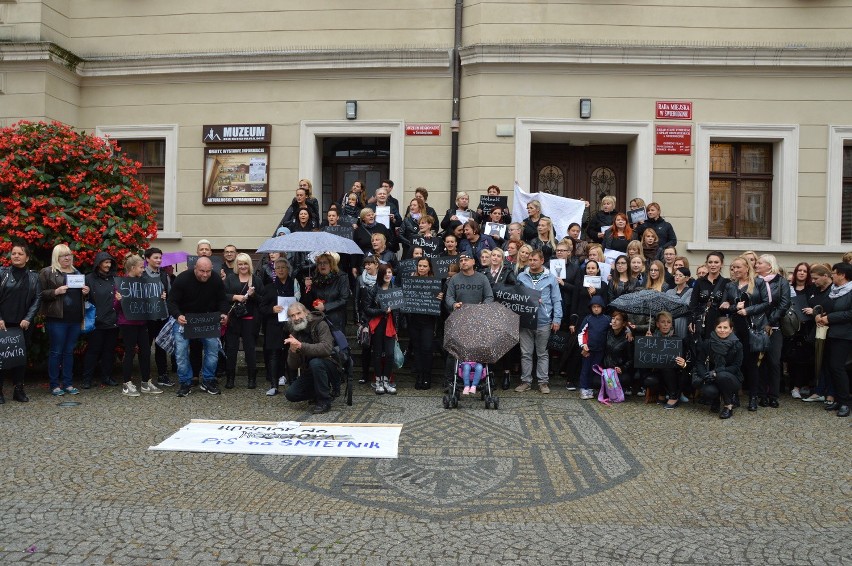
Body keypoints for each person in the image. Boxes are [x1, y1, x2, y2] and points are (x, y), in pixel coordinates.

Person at [167, 257, 229, 397]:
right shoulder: (182, 279)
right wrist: (177, 315)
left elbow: (222, 299)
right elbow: (171, 302)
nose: (205, 275)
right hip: (186, 319)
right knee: (181, 352)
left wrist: (224, 313)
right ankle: (185, 382)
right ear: (195, 268)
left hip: (207, 319)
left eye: (208, 271)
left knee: (213, 351)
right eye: (202, 271)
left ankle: (208, 380)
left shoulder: (215, 279)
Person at [719, 255, 769, 412]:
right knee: (735, 363)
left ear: (747, 267)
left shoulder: (759, 283)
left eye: (738, 267)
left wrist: (748, 310)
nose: (735, 270)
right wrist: (733, 307)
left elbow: (767, 303)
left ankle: (753, 396)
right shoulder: (730, 285)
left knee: (752, 364)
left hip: (752, 328)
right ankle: (733, 395)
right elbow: (724, 306)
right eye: (733, 267)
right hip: (735, 328)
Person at [39, 244, 89, 396]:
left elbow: (80, 295)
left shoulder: (76, 272)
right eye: (63, 255)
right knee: (56, 352)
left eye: (69, 255)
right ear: (56, 257)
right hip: (57, 319)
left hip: (74, 318)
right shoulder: (48, 272)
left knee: (69, 352)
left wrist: (86, 292)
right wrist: (55, 291)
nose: (67, 258)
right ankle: (54, 385)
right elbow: (39, 294)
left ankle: (68, 383)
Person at [514, 249, 562, 394]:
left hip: (543, 320)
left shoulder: (551, 278)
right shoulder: (521, 276)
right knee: (526, 353)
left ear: (542, 261)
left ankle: (543, 382)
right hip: (525, 321)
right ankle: (526, 381)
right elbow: (516, 296)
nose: (532, 262)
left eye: (535, 260)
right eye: (530, 260)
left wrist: (557, 319)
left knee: (542, 353)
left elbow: (557, 299)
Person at [114, 255, 161, 397]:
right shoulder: (121, 283)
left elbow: (150, 302)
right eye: (141, 267)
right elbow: (115, 306)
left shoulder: (143, 283)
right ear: (133, 268)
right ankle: (127, 384)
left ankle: (146, 382)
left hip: (141, 322)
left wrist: (160, 297)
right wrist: (118, 300)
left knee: (146, 351)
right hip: (127, 323)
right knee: (130, 352)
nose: (143, 269)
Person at [0, 243, 41, 403]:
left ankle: (19, 390)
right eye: (14, 253)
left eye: (20, 254)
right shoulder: (2, 274)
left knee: (20, 358)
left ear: (27, 257)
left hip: (23, 324)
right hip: (4, 324)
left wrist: (28, 318)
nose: (16, 256)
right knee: (1, 357)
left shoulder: (33, 277)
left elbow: (37, 298)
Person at [283, 301, 341, 415]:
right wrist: (293, 351)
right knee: (291, 394)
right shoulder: (295, 332)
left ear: (306, 312)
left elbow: (326, 348)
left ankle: (324, 401)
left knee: (316, 362)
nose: (296, 318)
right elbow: (293, 366)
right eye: (292, 316)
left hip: (330, 365)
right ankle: (318, 392)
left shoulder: (320, 324)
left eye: (298, 313)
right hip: (310, 370)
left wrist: (301, 346)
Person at [814, 262, 852, 417]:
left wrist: (829, 318)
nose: (832, 276)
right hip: (830, 333)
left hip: (845, 335)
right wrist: (820, 315)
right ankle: (837, 398)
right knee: (831, 367)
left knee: (838, 367)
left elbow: (850, 313)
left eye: (834, 273)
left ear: (842, 275)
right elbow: (826, 308)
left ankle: (845, 402)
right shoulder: (835, 291)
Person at [754, 254, 792, 408]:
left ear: (769, 266)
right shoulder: (755, 281)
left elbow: (784, 304)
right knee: (760, 362)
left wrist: (770, 322)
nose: (756, 265)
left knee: (774, 362)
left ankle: (774, 395)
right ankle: (762, 395)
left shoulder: (781, 282)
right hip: (757, 326)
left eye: (760, 263)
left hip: (774, 327)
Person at [260, 258, 300, 396]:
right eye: (278, 268)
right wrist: (272, 309)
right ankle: (274, 384)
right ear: (274, 271)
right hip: (274, 325)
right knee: (274, 354)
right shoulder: (269, 287)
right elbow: (262, 307)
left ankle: (293, 382)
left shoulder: (294, 285)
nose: (281, 270)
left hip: (291, 325)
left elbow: (302, 301)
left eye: (283, 267)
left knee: (292, 353)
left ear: (288, 269)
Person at [224, 253, 263, 389]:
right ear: (237, 265)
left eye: (245, 263)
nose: (243, 266)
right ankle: (230, 379)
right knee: (231, 349)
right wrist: (235, 297)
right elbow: (223, 296)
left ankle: (252, 379)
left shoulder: (256, 280)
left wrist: (253, 295)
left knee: (250, 350)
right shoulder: (230, 279)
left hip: (250, 320)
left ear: (249, 265)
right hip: (234, 319)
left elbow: (262, 300)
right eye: (240, 264)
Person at [693, 316, 744, 419]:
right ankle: (716, 399)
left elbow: (736, 366)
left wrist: (717, 372)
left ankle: (728, 406)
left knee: (722, 376)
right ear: (715, 328)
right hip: (712, 377)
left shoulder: (737, 345)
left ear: (731, 329)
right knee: (709, 391)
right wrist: (705, 376)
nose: (722, 330)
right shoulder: (708, 343)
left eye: (725, 327)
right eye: (719, 327)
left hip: (731, 379)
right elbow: (699, 362)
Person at [83, 252, 119, 389]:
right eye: (105, 262)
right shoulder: (89, 279)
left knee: (109, 351)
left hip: (112, 320)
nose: (108, 265)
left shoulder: (115, 278)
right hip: (96, 321)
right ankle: (87, 379)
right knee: (93, 351)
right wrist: (84, 294)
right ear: (98, 263)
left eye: (110, 262)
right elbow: (84, 300)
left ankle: (107, 377)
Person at [363, 264, 400, 395]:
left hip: (390, 325)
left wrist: (397, 329)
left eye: (390, 272)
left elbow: (398, 311)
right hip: (377, 324)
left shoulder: (395, 289)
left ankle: (386, 380)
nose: (388, 275)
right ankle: (378, 381)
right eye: (385, 273)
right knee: (377, 353)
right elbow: (367, 308)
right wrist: (381, 310)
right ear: (381, 275)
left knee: (390, 353)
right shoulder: (373, 290)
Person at [408, 257, 444, 390]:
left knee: (427, 349)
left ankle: (427, 376)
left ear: (429, 268)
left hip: (428, 322)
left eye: (424, 266)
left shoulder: (435, 282)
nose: (422, 268)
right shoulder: (411, 281)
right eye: (420, 266)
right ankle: (419, 376)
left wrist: (440, 297)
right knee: (417, 350)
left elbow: (439, 303)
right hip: (414, 320)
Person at [647, 311, 689, 409]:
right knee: (651, 378)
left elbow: (686, 361)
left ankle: (674, 396)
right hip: (657, 370)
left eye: (668, 322)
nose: (666, 325)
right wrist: (647, 342)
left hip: (675, 372)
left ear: (671, 324)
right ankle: (662, 392)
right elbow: (646, 359)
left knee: (666, 366)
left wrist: (684, 364)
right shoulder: (652, 338)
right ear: (657, 324)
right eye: (663, 322)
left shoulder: (677, 339)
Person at [143, 248, 173, 387]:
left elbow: (170, 294)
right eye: (155, 258)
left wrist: (166, 296)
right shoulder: (141, 275)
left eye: (160, 258)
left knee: (161, 347)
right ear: (147, 259)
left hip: (162, 316)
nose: (159, 260)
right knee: (145, 348)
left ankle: (162, 375)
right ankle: (146, 376)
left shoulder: (164, 275)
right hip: (147, 317)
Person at [301, 252, 350, 333]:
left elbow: (344, 299)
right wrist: (307, 288)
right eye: (320, 263)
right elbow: (306, 302)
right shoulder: (315, 279)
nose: (322, 265)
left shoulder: (341, 278)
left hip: (335, 321)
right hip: (319, 321)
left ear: (331, 265)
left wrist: (325, 307)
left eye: (325, 263)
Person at [576, 295, 611, 400]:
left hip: (601, 350)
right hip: (588, 350)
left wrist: (628, 331)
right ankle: (583, 388)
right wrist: (583, 345)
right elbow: (581, 333)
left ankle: (590, 388)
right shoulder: (588, 319)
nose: (596, 309)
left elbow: (616, 327)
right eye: (594, 306)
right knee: (585, 369)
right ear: (590, 308)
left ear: (602, 307)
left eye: (598, 306)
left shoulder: (607, 319)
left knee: (595, 370)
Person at [690, 252, 729, 341]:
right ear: (706, 264)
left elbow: (731, 301)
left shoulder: (726, 282)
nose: (713, 265)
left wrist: (728, 302)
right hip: (702, 321)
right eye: (710, 262)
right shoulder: (699, 282)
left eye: (716, 262)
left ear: (722, 264)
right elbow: (693, 303)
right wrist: (691, 321)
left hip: (719, 322)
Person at [355, 256, 379, 384]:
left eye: (370, 264)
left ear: (376, 265)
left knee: (378, 348)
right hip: (365, 318)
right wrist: (358, 318)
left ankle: (377, 374)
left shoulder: (380, 278)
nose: (367, 267)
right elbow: (356, 299)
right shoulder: (360, 279)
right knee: (366, 347)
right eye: (366, 264)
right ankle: (364, 374)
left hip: (378, 316)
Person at [600, 310, 634, 397]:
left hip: (618, 371)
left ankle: (616, 389)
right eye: (613, 318)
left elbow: (631, 360)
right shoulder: (607, 332)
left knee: (624, 379)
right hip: (606, 370)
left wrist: (622, 368)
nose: (614, 321)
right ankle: (610, 389)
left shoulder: (627, 338)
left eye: (618, 319)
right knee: (595, 382)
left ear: (623, 323)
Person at [666, 266, 693, 339]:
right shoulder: (669, 292)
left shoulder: (691, 291)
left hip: (683, 321)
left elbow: (686, 306)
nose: (677, 277)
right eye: (676, 275)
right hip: (669, 321)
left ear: (687, 278)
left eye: (680, 276)